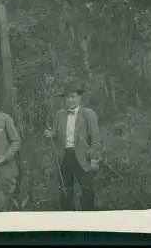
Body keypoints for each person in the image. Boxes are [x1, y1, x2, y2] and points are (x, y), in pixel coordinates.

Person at [44, 80, 102, 211]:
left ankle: (88, 218)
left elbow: (95, 138)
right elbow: (57, 133)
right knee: (66, 189)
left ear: (79, 97)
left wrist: (94, 159)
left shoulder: (88, 114)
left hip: (83, 156)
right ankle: (68, 218)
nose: (70, 100)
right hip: (65, 156)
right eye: (67, 97)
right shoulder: (59, 115)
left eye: (73, 97)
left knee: (87, 188)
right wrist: (51, 134)